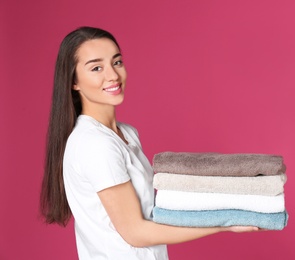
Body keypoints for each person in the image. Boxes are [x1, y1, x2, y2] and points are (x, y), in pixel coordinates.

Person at [40, 26, 260, 260]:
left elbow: (149, 214)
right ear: (74, 81)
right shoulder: (95, 143)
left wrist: (228, 206)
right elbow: (136, 232)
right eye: (96, 68)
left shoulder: (126, 134)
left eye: (117, 62)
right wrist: (224, 223)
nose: (113, 75)